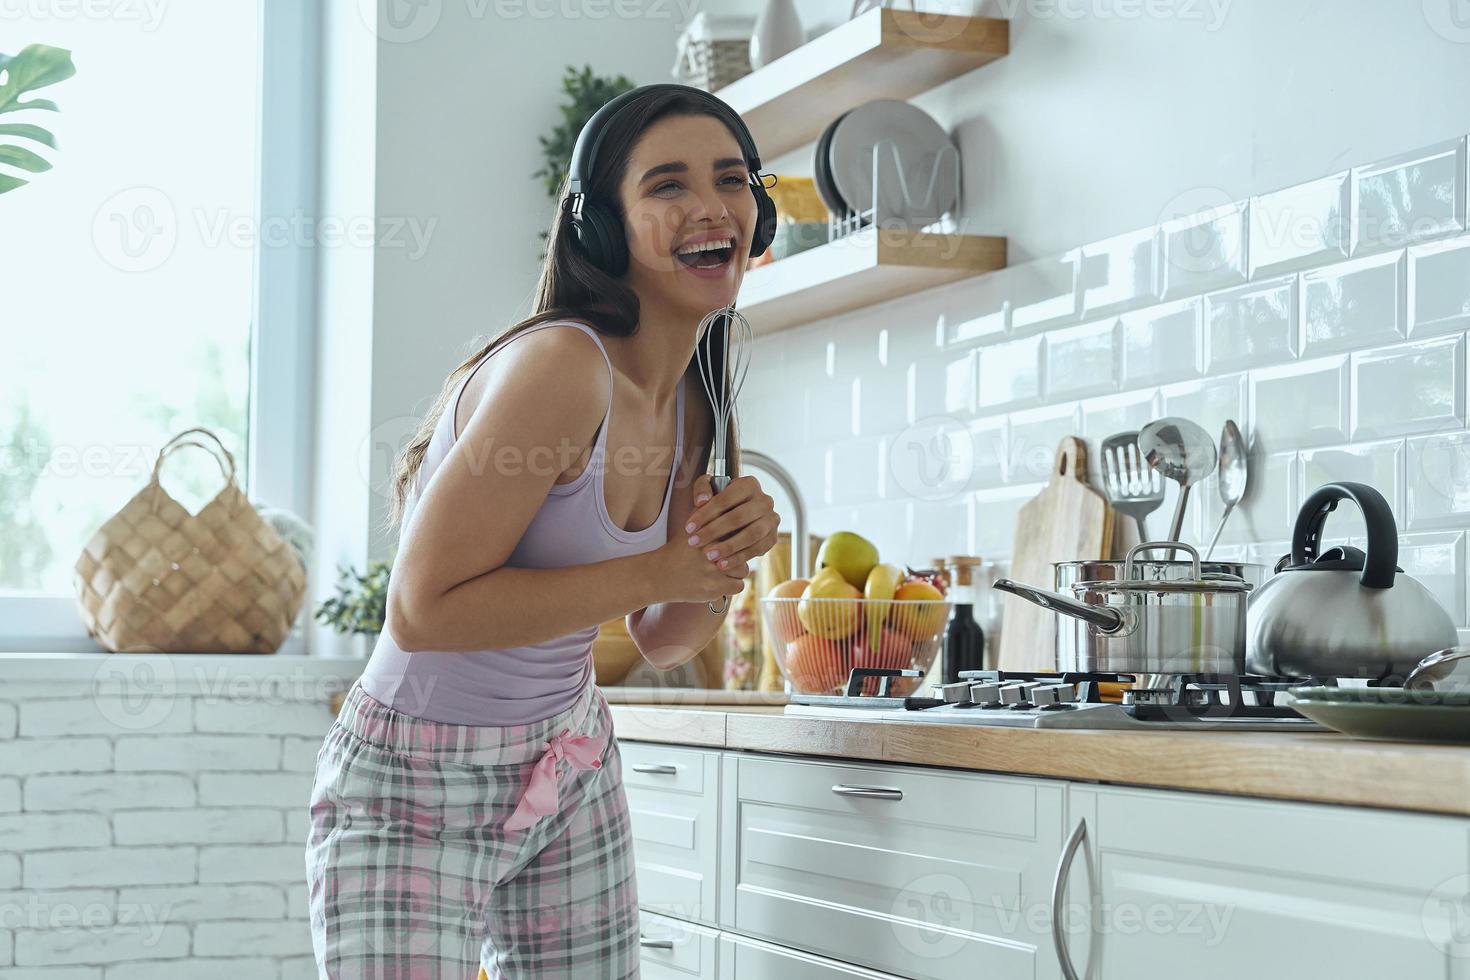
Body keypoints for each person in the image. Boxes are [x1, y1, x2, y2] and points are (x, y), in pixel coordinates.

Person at [304, 83, 782, 978]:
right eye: (667, 186)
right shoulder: (564, 365)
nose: (711, 207)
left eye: (731, 180)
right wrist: (662, 570)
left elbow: (665, 637)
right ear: (600, 227)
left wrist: (722, 561)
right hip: (416, 776)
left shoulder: (692, 397)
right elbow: (422, 609)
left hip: (567, 758)